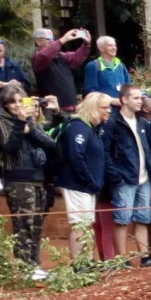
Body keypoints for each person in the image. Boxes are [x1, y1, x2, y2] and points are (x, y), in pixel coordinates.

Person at [0, 86, 59, 278]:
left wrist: (30, 128)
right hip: (17, 180)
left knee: (36, 225)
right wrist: (20, 123)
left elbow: (50, 143)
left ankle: (34, 266)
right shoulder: (1, 123)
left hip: (38, 179)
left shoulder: (30, 121)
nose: (17, 105)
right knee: (23, 226)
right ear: (5, 104)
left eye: (20, 101)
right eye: (12, 102)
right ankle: (24, 269)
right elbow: (9, 146)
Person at [53, 92, 111, 260]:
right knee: (80, 224)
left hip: (87, 186)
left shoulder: (89, 127)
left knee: (86, 223)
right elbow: (76, 157)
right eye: (105, 107)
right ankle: (79, 263)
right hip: (77, 184)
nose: (108, 110)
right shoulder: (78, 127)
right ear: (93, 108)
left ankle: (86, 260)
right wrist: (89, 180)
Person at [106, 84, 151, 266]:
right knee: (122, 220)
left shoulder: (143, 123)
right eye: (136, 98)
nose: (140, 101)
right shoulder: (113, 122)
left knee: (142, 219)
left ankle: (144, 257)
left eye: (141, 98)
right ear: (124, 100)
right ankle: (122, 260)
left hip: (144, 178)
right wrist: (116, 175)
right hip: (124, 179)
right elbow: (105, 151)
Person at [32, 28, 90, 112]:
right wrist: (63, 39)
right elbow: (45, 55)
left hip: (72, 106)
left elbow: (77, 58)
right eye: (48, 39)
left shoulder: (61, 56)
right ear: (38, 42)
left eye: (53, 39)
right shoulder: (37, 58)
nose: (52, 41)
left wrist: (86, 44)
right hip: (53, 109)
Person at [83, 36, 130, 104]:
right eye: (110, 45)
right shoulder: (93, 66)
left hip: (122, 107)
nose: (114, 48)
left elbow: (129, 86)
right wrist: (110, 100)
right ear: (101, 48)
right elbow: (91, 92)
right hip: (104, 107)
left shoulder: (121, 65)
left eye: (115, 45)